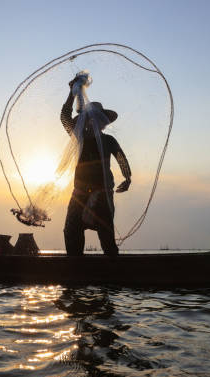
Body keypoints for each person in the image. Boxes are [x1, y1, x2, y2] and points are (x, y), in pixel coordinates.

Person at [61, 77, 131, 256]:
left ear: (102, 122)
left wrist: (127, 177)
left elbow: (121, 159)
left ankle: (110, 274)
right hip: (80, 194)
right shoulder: (79, 138)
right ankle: (75, 271)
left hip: (102, 194)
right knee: (71, 232)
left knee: (106, 237)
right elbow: (64, 117)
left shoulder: (108, 140)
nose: (92, 122)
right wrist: (71, 93)